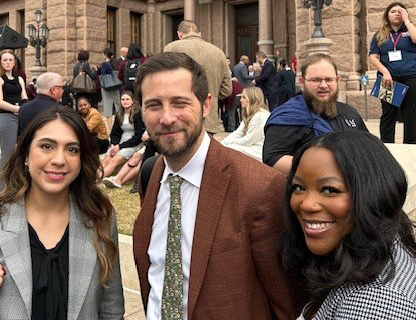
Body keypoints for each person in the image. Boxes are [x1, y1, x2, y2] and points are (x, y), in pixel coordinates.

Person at [132, 52, 297, 319]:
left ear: (206, 105)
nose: (167, 118)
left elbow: (286, 303)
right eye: (153, 105)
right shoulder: (150, 175)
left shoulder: (261, 188)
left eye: (179, 103)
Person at [0, 107, 125, 319]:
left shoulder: (99, 219)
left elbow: (112, 308)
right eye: (46, 146)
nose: (59, 159)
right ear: (25, 154)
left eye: (72, 149)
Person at [281, 130, 416, 319]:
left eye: (330, 189)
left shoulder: (376, 304)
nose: (306, 204)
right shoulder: (380, 247)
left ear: (373, 194)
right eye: (299, 188)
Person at [263, 53, 368, 175]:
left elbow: (369, 148)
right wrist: (328, 170)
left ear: (337, 80)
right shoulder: (286, 117)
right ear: (302, 82)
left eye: (329, 79)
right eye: (316, 80)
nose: (323, 85)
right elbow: (272, 159)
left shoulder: (350, 113)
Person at [164, 20, 232, 134]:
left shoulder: (171, 48)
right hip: (209, 119)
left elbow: (164, 82)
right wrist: (210, 95)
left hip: (179, 118)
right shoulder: (218, 52)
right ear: (199, 33)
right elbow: (226, 90)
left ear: (179, 34)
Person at [369, 2, 416, 144]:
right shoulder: (380, 34)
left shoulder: (410, 30)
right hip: (389, 79)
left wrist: (407, 21)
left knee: (411, 114)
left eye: (400, 11)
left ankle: (411, 146)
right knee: (388, 114)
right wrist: (385, 72)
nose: (397, 13)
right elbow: (373, 56)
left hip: (411, 77)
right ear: (387, 16)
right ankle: (387, 146)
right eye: (393, 11)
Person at [0, 49, 28, 189]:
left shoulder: (20, 79)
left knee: (22, 152)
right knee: (8, 153)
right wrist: (18, 109)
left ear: (15, 61)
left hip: (20, 116)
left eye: (10, 60)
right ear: (0, 62)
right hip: (6, 117)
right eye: (5, 60)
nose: (8, 62)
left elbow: (24, 97)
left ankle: (18, 184)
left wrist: (25, 108)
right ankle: (3, 188)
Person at [102, 90, 144, 178]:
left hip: (133, 143)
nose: (125, 101)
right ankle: (92, 177)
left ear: (132, 101)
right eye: (123, 99)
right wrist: (114, 145)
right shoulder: (119, 115)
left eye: (127, 99)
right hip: (120, 141)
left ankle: (97, 179)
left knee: (114, 161)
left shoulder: (137, 115)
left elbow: (138, 137)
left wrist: (120, 147)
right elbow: (115, 133)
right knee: (106, 159)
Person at [221, 86, 270, 161]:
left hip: (259, 151)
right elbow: (238, 133)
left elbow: (249, 140)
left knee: (231, 149)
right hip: (252, 147)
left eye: (244, 97)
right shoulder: (251, 114)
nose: (240, 100)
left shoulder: (260, 115)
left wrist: (230, 143)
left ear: (252, 99)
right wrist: (223, 143)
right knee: (226, 148)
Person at [99, 48, 121, 132]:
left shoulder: (104, 64)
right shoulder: (115, 62)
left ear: (105, 55)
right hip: (115, 86)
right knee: (118, 105)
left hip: (106, 87)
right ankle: (120, 124)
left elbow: (102, 74)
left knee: (107, 106)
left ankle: (111, 128)